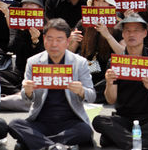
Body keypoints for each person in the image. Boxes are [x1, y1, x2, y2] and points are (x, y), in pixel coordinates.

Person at [8, 18, 95, 150]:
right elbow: (26, 99)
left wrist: (81, 91)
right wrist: (28, 91)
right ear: (44, 39)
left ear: (67, 41)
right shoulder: (33, 62)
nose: (54, 44)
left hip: (70, 121)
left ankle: (40, 143)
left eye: (59, 39)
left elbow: (92, 95)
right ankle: (55, 147)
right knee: (15, 124)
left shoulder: (79, 62)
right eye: (50, 39)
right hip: (41, 120)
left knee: (85, 131)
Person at [93, 15, 148, 149]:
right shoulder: (115, 62)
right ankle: (142, 144)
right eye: (128, 31)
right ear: (123, 34)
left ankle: (121, 139)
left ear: (144, 33)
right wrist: (109, 83)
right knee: (99, 121)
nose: (132, 34)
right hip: (124, 117)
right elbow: (111, 100)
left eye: (136, 30)